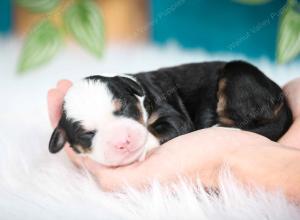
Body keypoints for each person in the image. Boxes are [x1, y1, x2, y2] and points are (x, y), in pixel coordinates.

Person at [48, 78, 300, 204]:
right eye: (89, 134)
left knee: (237, 79)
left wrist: (227, 156)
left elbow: (177, 125)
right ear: (64, 139)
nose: (121, 139)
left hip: (240, 83)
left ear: (135, 95)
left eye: (123, 112)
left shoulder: (150, 96)